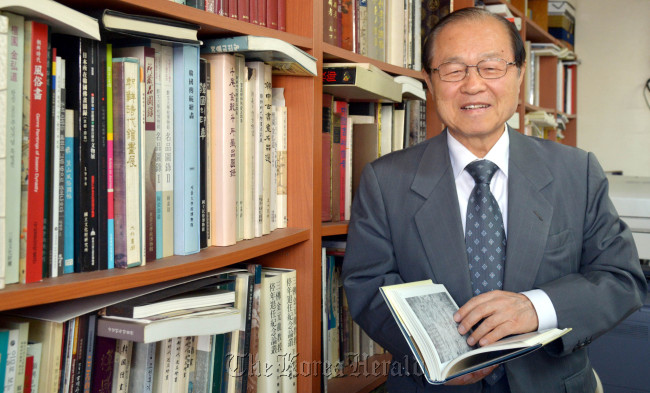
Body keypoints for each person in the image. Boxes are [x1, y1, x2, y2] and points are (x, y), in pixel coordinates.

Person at [341, 7, 647, 393]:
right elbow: (367, 287)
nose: (472, 85)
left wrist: (536, 307)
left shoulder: (577, 171)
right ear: (430, 84)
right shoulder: (385, 181)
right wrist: (433, 352)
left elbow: (621, 280)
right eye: (453, 70)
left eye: (491, 66)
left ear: (519, 75)